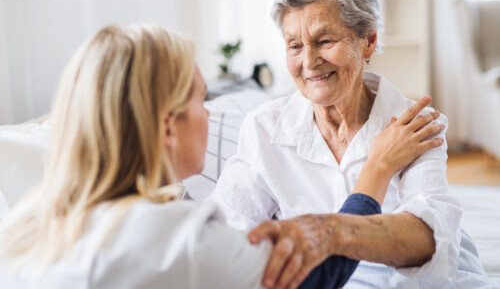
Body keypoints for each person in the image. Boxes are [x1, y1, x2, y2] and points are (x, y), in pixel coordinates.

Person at [0, 24, 444, 289]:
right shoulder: (184, 239)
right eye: (200, 100)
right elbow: (316, 279)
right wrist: (378, 168)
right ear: (168, 126)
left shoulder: (25, 224)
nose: (209, 113)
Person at [210, 0, 494, 289]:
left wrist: (328, 232)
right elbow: (222, 234)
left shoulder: (414, 125)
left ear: (368, 42)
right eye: (295, 46)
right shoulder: (264, 130)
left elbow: (426, 240)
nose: (309, 61)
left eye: (325, 40)